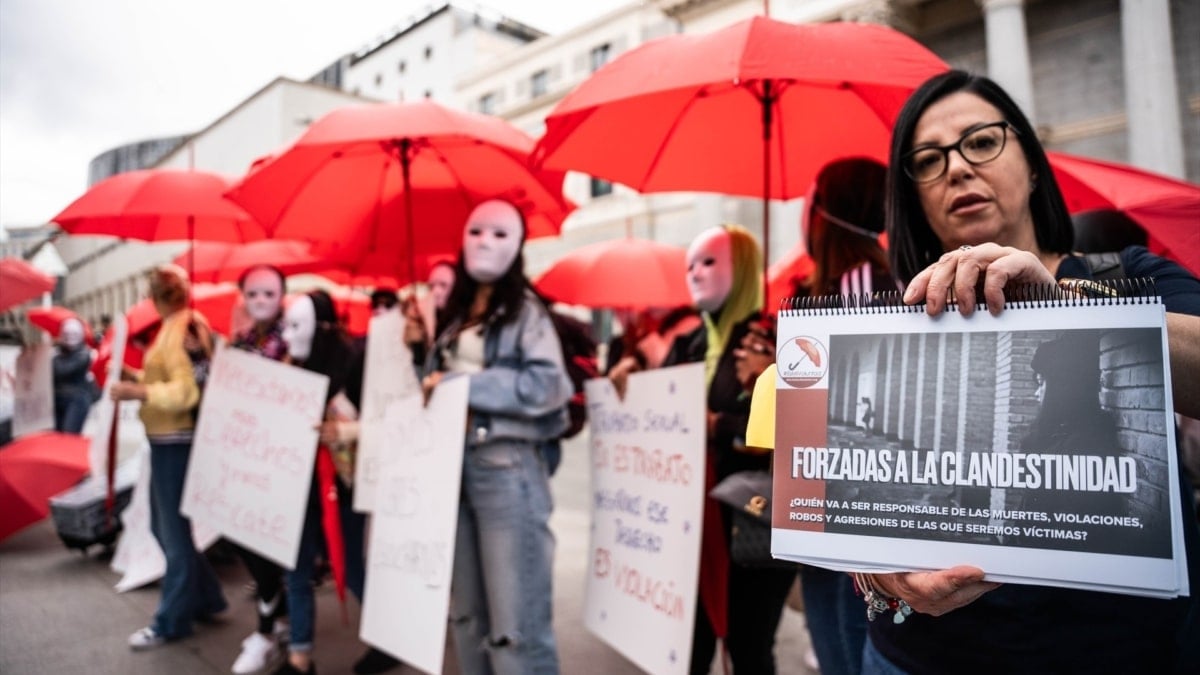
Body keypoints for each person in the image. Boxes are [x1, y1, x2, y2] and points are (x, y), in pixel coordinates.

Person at [861, 69, 1200, 673]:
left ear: (1033, 163)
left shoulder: (1125, 276)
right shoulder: (889, 321)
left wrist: (1068, 307)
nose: (958, 169)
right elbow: (841, 498)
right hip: (917, 661)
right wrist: (881, 579)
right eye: (928, 161)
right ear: (913, 197)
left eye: (981, 142)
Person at [420, 199, 571, 675]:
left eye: (499, 234)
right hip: (453, 469)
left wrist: (460, 386)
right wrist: (421, 353)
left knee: (515, 627)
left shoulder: (526, 312)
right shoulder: (454, 313)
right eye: (476, 231)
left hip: (506, 470)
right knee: (467, 619)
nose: (485, 242)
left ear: (519, 245)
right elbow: (434, 388)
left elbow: (548, 385)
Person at [658, 224, 795, 675]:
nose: (695, 272)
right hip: (691, 522)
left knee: (748, 645)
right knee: (687, 638)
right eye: (689, 264)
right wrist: (627, 370)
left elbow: (788, 430)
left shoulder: (772, 341)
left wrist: (718, 424)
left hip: (747, 521)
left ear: (743, 269)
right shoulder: (686, 344)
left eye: (710, 261)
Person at [111, 264, 226, 651]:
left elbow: (185, 392)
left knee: (173, 534)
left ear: (156, 295)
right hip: (169, 440)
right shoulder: (180, 327)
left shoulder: (182, 329)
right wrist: (136, 379)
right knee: (169, 530)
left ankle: (172, 620)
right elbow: (178, 384)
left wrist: (139, 392)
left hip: (175, 441)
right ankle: (206, 596)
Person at [275, 289, 370, 675]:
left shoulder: (352, 367)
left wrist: (342, 430)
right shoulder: (287, 367)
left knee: (352, 563)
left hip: (340, 485)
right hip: (296, 484)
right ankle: (300, 655)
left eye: (297, 325)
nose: (288, 333)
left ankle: (390, 637)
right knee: (295, 569)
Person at [227, 265, 290, 674]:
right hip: (246, 452)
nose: (262, 301)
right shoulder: (243, 341)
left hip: (282, 456)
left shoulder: (295, 336)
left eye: (269, 293)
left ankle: (270, 625)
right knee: (239, 532)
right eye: (254, 294)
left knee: (269, 542)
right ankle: (274, 614)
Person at [52, 317, 95, 433]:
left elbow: (63, 370)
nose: (69, 338)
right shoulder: (57, 354)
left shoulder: (84, 355)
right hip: (57, 399)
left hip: (76, 400)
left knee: (69, 434)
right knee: (56, 436)